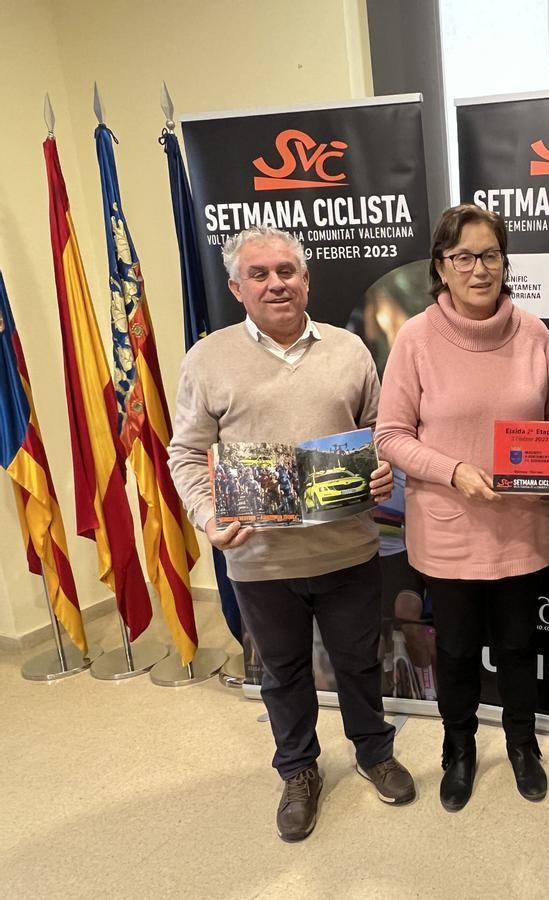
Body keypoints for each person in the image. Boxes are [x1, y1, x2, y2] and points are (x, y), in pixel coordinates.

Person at [167, 225, 415, 844]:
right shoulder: (207, 359)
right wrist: (207, 516)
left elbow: (376, 435)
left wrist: (382, 474)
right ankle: (299, 771)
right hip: (260, 558)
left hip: (348, 549)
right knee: (281, 673)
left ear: (307, 279)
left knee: (360, 663)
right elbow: (187, 454)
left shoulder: (351, 350)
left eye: (287, 271)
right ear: (236, 287)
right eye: (260, 274)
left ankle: (373, 751)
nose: (276, 283)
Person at [375, 204, 549, 812]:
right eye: (463, 256)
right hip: (448, 531)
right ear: (441, 266)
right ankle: (457, 751)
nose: (479, 268)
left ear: (505, 262)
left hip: (521, 528)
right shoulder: (414, 339)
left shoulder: (534, 333)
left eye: (490, 254)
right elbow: (390, 437)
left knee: (518, 645)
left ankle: (522, 746)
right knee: (457, 650)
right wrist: (455, 470)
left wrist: (542, 455)